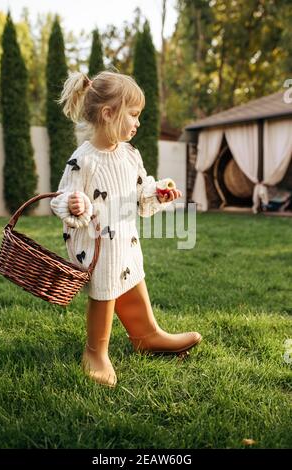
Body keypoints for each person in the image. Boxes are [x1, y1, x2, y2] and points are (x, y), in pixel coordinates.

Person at [50, 71, 202, 388]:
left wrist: (156, 192)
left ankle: (146, 333)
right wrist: (74, 204)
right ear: (108, 113)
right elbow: (62, 198)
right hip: (96, 242)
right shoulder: (83, 159)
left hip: (125, 237)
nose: (137, 122)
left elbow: (138, 192)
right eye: (133, 114)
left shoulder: (130, 154)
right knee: (105, 286)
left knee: (132, 275)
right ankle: (95, 351)